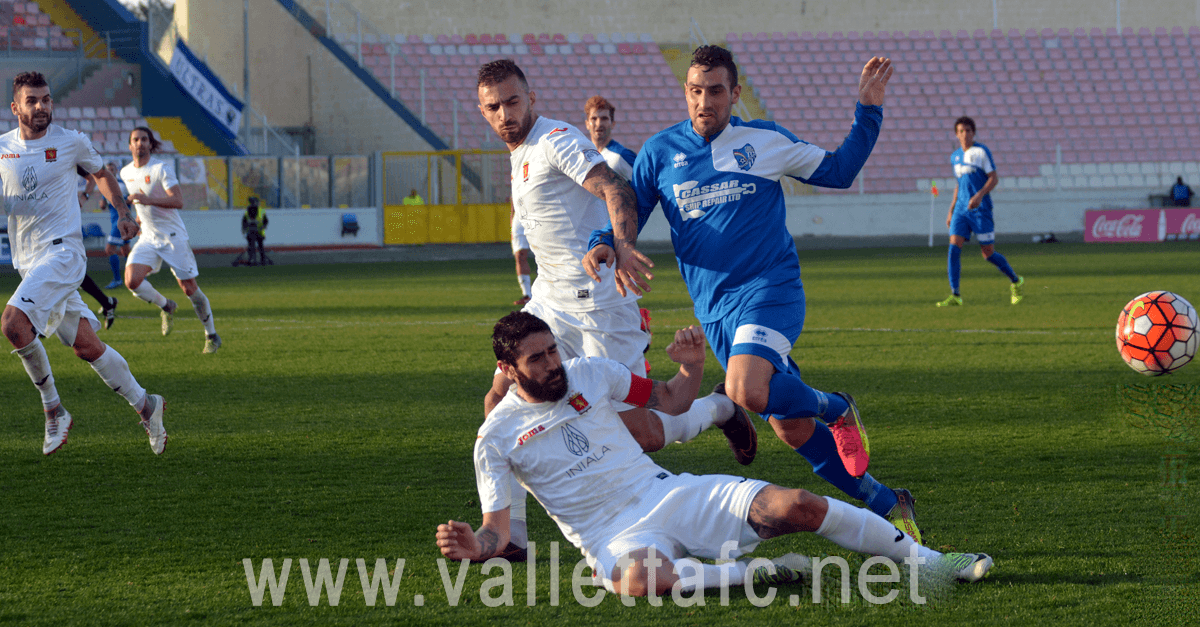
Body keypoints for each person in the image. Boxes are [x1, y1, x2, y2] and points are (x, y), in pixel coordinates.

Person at [586, 46, 924, 544]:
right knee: (791, 430)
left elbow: (839, 171)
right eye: (696, 91)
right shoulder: (661, 152)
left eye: (716, 91)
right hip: (717, 311)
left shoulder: (764, 140)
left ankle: (837, 406)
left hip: (770, 288)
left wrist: (868, 109)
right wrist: (605, 243)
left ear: (735, 94)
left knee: (744, 390)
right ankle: (888, 501)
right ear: (686, 92)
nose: (705, 102)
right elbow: (630, 204)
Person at [436, 311, 993, 597]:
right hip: (610, 536)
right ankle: (756, 573)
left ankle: (933, 565)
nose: (553, 364)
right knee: (636, 581)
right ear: (508, 372)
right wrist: (475, 546)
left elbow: (668, 400)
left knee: (796, 505)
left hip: (665, 492)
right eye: (537, 360)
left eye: (553, 350)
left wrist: (691, 368)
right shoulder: (496, 438)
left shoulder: (588, 372)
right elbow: (498, 533)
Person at [476, 59, 756, 560]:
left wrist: (622, 243)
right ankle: (511, 535)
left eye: (512, 102)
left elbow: (611, 185)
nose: (504, 114)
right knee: (499, 405)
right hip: (549, 301)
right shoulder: (518, 151)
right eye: (493, 107)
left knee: (643, 433)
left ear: (531, 97)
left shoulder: (556, 139)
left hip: (600, 304)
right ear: (483, 110)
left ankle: (720, 408)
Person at [1, 71, 166, 455]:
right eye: (32, 101)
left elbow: (101, 173)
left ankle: (54, 410)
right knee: (86, 347)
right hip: (29, 263)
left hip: (63, 253)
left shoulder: (70, 142)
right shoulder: (4, 148)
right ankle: (147, 405)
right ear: (16, 108)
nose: (41, 106)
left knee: (13, 323)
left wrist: (123, 211)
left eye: (46, 99)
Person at [120, 127, 222, 354]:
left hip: (172, 237)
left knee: (189, 288)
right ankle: (166, 306)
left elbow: (177, 200)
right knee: (131, 280)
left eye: (144, 139)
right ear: (130, 145)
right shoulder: (126, 172)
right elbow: (140, 205)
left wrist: (146, 199)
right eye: (135, 140)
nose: (140, 143)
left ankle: (211, 335)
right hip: (147, 236)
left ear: (150, 143)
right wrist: (136, 222)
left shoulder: (160, 168)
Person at [936, 116, 1023, 307]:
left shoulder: (981, 152)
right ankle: (955, 295)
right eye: (961, 131)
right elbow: (959, 186)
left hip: (980, 210)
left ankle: (1015, 281)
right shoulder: (955, 156)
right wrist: (951, 211)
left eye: (968, 130)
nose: (965, 134)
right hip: (961, 210)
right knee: (953, 247)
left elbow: (993, 178)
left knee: (988, 253)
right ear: (956, 134)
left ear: (973, 133)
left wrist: (979, 196)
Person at [584, 95, 637, 180]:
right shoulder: (583, 159)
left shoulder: (622, 156)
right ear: (587, 124)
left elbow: (646, 189)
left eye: (604, 118)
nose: (599, 124)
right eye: (594, 118)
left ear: (613, 124)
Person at [101, 161, 130, 289]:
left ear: (116, 170)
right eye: (108, 169)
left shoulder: (121, 185)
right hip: (116, 220)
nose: (110, 171)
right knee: (125, 250)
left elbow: (127, 202)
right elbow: (103, 205)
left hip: (120, 221)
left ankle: (118, 279)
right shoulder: (106, 185)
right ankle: (139, 276)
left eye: (112, 169)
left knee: (109, 249)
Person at [509, 202, 533, 306]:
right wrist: (512, 219)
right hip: (519, 216)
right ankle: (527, 295)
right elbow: (513, 196)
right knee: (520, 256)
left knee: (547, 253)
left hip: (538, 212)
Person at [241, 196, 268, 266]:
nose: (252, 203)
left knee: (260, 246)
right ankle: (252, 260)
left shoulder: (261, 211)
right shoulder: (247, 211)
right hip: (250, 231)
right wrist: (244, 228)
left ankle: (262, 260)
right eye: (251, 202)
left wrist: (263, 226)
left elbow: (266, 221)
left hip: (259, 232)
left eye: (253, 202)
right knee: (251, 247)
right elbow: (244, 221)